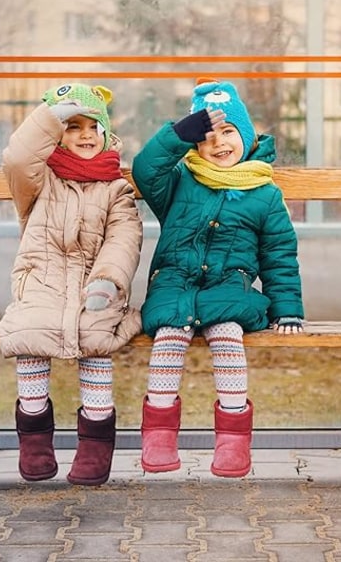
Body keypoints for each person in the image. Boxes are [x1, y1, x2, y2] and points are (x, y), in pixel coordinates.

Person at [132, 78, 304, 478]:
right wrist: (178, 135)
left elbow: (279, 255)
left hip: (230, 290)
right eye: (207, 136)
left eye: (228, 132)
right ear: (195, 145)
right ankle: (157, 434)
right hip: (175, 285)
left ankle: (233, 440)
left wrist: (287, 309)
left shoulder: (265, 193)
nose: (218, 143)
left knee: (227, 334)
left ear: (246, 136)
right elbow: (145, 171)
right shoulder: (179, 182)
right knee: (169, 336)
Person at [0, 82, 143, 486]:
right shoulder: (39, 181)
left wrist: (108, 282)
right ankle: (35, 440)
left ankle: (96, 444)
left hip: (95, 293)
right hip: (40, 285)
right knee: (30, 339)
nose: (84, 135)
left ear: (106, 133)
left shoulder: (116, 188)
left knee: (96, 342)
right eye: (72, 126)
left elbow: (123, 239)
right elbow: (17, 158)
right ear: (57, 134)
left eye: (92, 126)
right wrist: (50, 115)